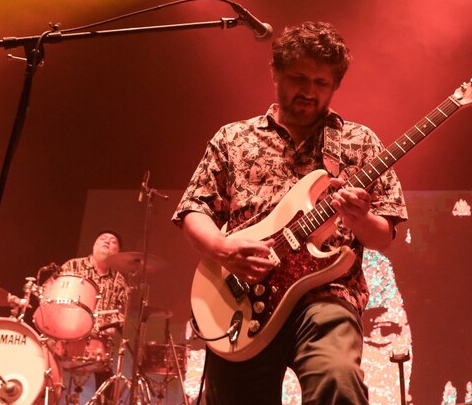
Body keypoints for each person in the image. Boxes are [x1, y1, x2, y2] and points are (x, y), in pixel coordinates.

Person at [172, 21, 407, 404]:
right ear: (275, 73)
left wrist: (358, 218)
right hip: (240, 297)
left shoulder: (358, 142)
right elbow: (194, 209)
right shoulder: (234, 137)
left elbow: (385, 235)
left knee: (338, 380)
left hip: (326, 294)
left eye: (321, 83)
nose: (309, 92)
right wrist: (223, 249)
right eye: (299, 78)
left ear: (335, 87)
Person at [53, 230, 129, 391]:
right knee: (49, 374)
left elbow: (120, 314)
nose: (107, 241)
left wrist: (113, 325)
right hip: (68, 334)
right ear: (94, 245)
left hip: (99, 342)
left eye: (113, 241)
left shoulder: (120, 280)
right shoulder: (72, 266)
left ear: (118, 252)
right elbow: (55, 297)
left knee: (108, 389)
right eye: (103, 238)